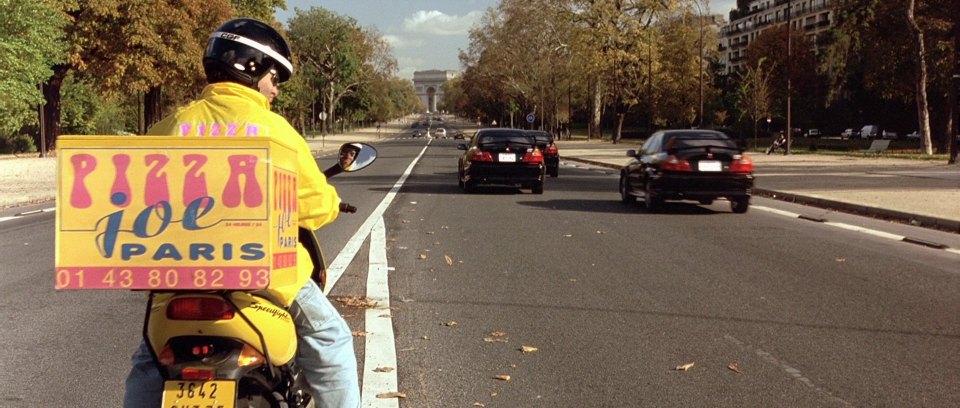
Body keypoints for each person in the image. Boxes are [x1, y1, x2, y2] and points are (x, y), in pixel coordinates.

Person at [122, 18, 360, 408]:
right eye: (274, 78)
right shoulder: (274, 129)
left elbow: (131, 200)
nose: (276, 90)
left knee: (150, 359)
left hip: (180, 275)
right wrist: (331, 204)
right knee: (330, 339)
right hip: (262, 274)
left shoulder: (168, 127)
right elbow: (313, 202)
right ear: (251, 69)